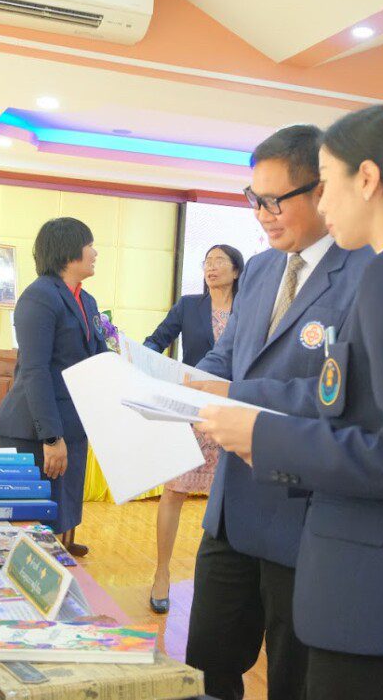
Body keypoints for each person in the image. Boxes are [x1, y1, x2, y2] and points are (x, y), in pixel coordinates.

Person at [197, 104, 383, 700]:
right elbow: (351, 399)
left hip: (382, 582)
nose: (324, 201)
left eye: (327, 181)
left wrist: (263, 437)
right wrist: (244, 405)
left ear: (366, 179)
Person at [184, 125, 374, 700]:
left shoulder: (367, 273)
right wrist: (185, 386)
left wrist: (232, 395)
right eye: (254, 199)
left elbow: (344, 393)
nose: (262, 215)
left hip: (302, 513)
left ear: (321, 190)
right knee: (207, 664)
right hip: (231, 507)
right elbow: (229, 353)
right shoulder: (264, 268)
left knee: (293, 679)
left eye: (275, 201)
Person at [0, 218, 109, 557]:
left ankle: (61, 546)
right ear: (69, 251)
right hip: (35, 425)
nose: (95, 253)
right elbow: (35, 370)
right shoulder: (39, 297)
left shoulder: (86, 300)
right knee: (36, 514)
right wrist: (52, 437)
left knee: (64, 499)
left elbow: (97, 355)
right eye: (90, 245)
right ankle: (37, 562)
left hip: (70, 418)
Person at [142, 243, 245, 614]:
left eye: (220, 261)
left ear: (237, 270)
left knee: (229, 497)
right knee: (174, 492)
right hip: (190, 412)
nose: (211, 267)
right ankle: (162, 573)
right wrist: (144, 364)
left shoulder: (249, 308)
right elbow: (156, 341)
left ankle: (222, 579)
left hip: (231, 415)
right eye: (207, 261)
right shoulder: (188, 306)